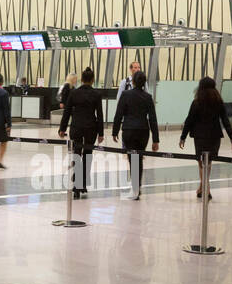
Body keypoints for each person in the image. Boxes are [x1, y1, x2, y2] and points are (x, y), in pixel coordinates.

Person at [179, 77, 232, 200]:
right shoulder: (218, 102)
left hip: (200, 137)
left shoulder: (196, 102)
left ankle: (206, 188)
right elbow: (225, 121)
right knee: (209, 162)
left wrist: (183, 137)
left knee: (201, 163)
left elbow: (189, 121)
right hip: (214, 136)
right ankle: (203, 187)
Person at [110, 70, 159, 199]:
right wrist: (156, 139)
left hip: (129, 130)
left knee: (132, 159)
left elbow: (118, 114)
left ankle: (135, 188)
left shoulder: (126, 95)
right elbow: (153, 118)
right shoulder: (148, 97)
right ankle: (137, 187)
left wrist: (114, 132)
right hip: (143, 131)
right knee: (139, 158)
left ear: (133, 82)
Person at [57, 67, 104, 198]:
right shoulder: (96, 94)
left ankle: (76, 184)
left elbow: (67, 112)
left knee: (76, 154)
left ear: (82, 79)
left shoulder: (74, 93)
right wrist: (101, 133)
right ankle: (82, 184)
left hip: (76, 127)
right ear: (93, 80)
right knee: (88, 155)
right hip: (91, 128)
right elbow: (99, 114)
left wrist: (62, 128)